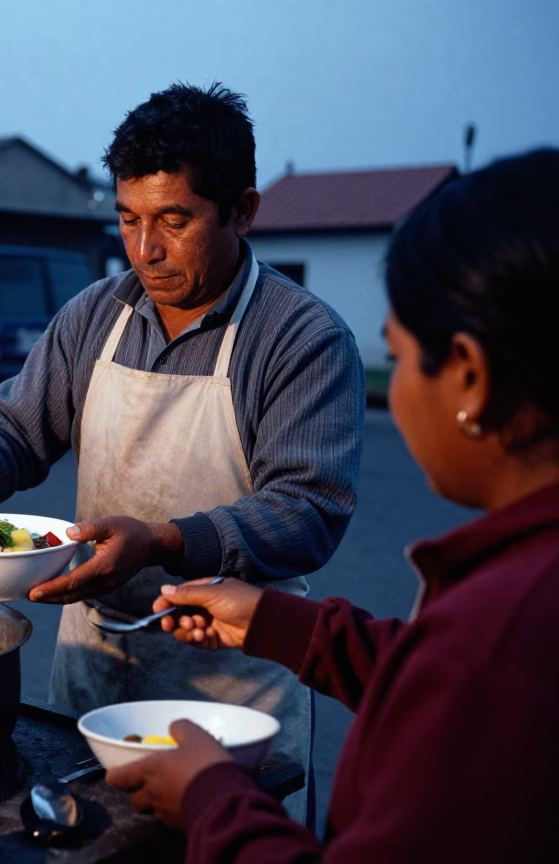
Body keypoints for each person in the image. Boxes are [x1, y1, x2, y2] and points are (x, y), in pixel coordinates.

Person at [0, 81, 364, 823]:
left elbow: (308, 511)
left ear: (243, 211)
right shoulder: (97, 313)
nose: (145, 249)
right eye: (129, 219)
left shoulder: (301, 338)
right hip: (95, 673)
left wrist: (162, 543)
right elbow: (19, 429)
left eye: (174, 221)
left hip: (231, 694)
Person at [105, 147, 559, 861]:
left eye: (402, 357)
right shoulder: (505, 611)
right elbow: (430, 674)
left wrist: (212, 798)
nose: (145, 248)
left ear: (469, 377)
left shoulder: (500, 635)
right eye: (127, 220)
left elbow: (463, 679)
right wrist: (286, 626)